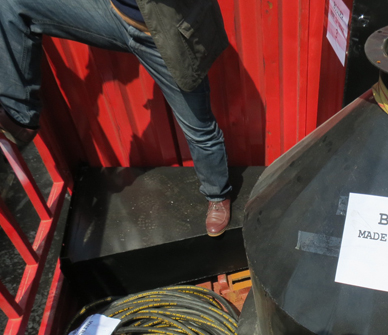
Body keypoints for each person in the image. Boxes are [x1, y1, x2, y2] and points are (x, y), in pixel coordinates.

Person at [0, 0, 232, 236]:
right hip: (116, 15)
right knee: (11, 3)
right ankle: (20, 117)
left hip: (165, 35)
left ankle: (218, 195)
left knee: (199, 128)